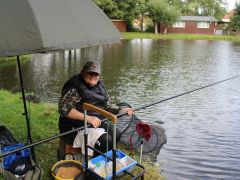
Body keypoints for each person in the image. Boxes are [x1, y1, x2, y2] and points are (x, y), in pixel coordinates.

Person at [58, 61, 133, 157]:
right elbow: (64, 110)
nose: (93, 76)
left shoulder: (100, 86)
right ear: (83, 72)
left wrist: (121, 110)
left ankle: (106, 158)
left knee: (116, 134)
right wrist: (88, 118)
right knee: (105, 139)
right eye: (90, 73)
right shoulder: (74, 86)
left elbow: (108, 106)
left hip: (96, 122)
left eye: (96, 74)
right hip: (75, 126)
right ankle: (96, 164)